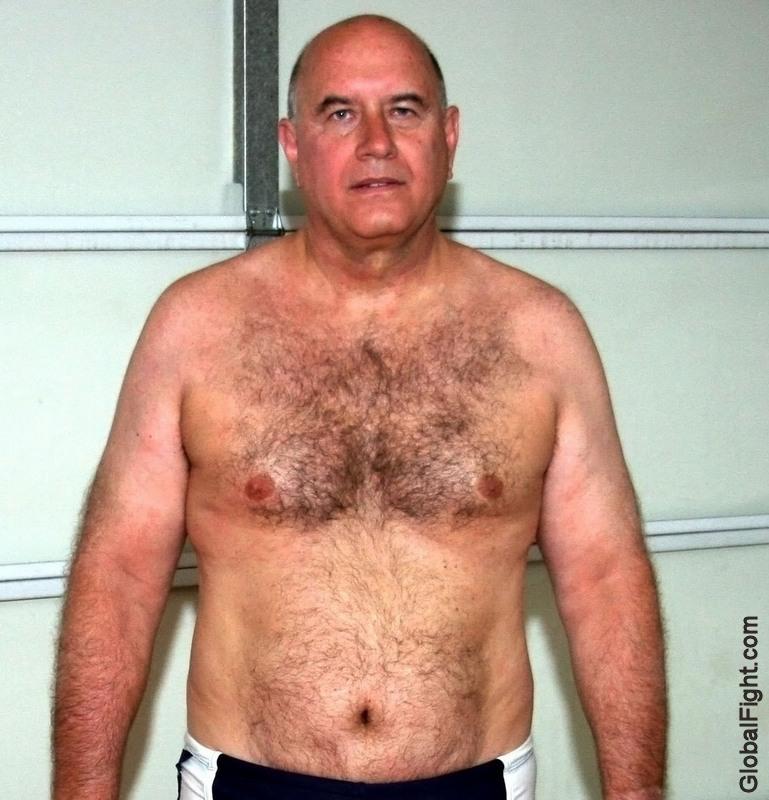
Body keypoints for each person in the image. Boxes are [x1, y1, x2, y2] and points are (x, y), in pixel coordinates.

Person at [52, 13, 666, 800]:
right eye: (339, 113)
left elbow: (607, 578)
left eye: (403, 110)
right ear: (291, 145)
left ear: (448, 136)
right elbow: (118, 574)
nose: (376, 142)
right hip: (245, 785)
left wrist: (637, 793)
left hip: (477, 785)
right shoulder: (196, 328)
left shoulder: (539, 334)